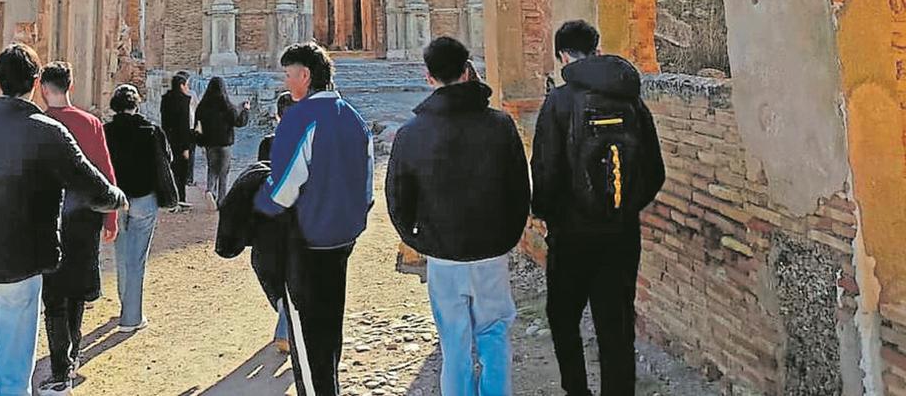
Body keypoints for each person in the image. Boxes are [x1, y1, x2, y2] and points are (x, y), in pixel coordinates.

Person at [0, 44, 127, 396]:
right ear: (36, 82)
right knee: (12, 367)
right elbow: (92, 183)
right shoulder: (45, 130)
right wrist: (117, 199)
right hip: (20, 261)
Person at [386, 37, 531, 396]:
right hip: (491, 252)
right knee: (494, 335)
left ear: (428, 77)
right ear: (468, 71)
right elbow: (519, 191)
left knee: (453, 343)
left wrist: (421, 240)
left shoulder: (411, 133)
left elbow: (397, 200)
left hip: (443, 256)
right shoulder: (500, 125)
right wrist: (507, 238)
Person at [531, 20, 666, 396]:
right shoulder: (631, 99)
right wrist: (624, 208)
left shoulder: (558, 102)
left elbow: (544, 170)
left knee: (562, 317)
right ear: (596, 48)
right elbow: (655, 170)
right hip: (622, 233)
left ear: (562, 55)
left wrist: (550, 215)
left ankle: (577, 390)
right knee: (617, 324)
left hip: (571, 235)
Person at [256, 42, 374, 396]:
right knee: (330, 326)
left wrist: (258, 200)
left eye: (289, 75)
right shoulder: (354, 117)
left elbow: (283, 191)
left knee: (307, 340)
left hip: (308, 242)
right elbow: (366, 187)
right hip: (343, 239)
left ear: (305, 76)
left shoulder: (299, 118)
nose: (287, 82)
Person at [35, 62, 120, 396]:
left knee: (54, 295)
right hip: (84, 218)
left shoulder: (38, 123)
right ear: (71, 85)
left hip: (47, 218)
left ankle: (60, 369)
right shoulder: (91, 123)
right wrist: (110, 219)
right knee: (75, 292)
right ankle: (70, 356)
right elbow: (105, 174)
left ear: (43, 86)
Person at [105, 84, 176, 333]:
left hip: (116, 198)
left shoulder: (106, 132)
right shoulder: (151, 130)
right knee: (137, 259)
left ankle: (126, 304)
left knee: (122, 255)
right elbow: (167, 159)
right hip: (144, 198)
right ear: (136, 105)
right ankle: (131, 317)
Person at [258, 89, 297, 353]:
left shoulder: (268, 143)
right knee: (294, 271)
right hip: (301, 215)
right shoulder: (309, 139)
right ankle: (287, 326)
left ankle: (284, 325)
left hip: (273, 215)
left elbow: (260, 176)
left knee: (278, 270)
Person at [194, 75, 250, 209]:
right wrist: (245, 110)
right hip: (225, 143)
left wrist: (199, 141)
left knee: (212, 169)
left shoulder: (202, 106)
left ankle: (210, 191)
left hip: (209, 143)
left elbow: (197, 126)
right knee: (223, 172)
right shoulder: (227, 106)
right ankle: (221, 200)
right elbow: (239, 122)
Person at [160, 72, 195, 209]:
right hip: (181, 142)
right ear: (181, 86)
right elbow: (184, 125)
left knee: (170, 170)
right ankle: (181, 198)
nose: (187, 88)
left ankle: (171, 198)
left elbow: (164, 122)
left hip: (169, 139)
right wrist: (186, 147)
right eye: (186, 85)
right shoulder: (184, 100)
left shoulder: (165, 99)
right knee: (181, 173)